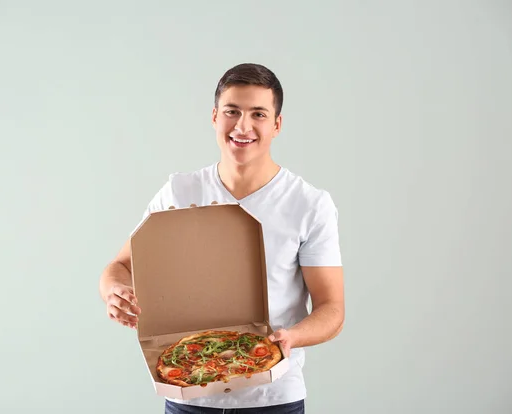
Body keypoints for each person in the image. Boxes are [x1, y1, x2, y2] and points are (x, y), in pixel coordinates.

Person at [99, 63, 345, 413]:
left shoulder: (309, 204)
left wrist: (291, 337)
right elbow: (120, 266)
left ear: (277, 124)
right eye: (232, 111)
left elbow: (332, 309)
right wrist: (114, 291)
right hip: (186, 392)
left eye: (258, 114)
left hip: (273, 397)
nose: (243, 126)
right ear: (215, 117)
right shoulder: (178, 192)